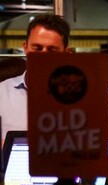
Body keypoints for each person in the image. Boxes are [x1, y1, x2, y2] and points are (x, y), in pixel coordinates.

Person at [0, 14, 70, 146]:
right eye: (37, 48)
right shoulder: (2, 94)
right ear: (25, 48)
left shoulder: (79, 99)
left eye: (52, 50)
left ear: (66, 53)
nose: (43, 55)